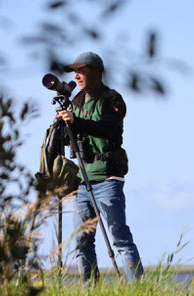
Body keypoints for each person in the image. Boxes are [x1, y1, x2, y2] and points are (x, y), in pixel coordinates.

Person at [56, 51, 144, 282]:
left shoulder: (112, 99)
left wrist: (76, 122)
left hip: (108, 177)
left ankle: (140, 291)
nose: (76, 76)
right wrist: (62, 127)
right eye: (75, 72)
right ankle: (90, 291)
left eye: (81, 70)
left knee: (119, 236)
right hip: (83, 180)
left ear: (96, 72)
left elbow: (107, 128)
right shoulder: (75, 102)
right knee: (82, 240)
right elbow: (69, 141)